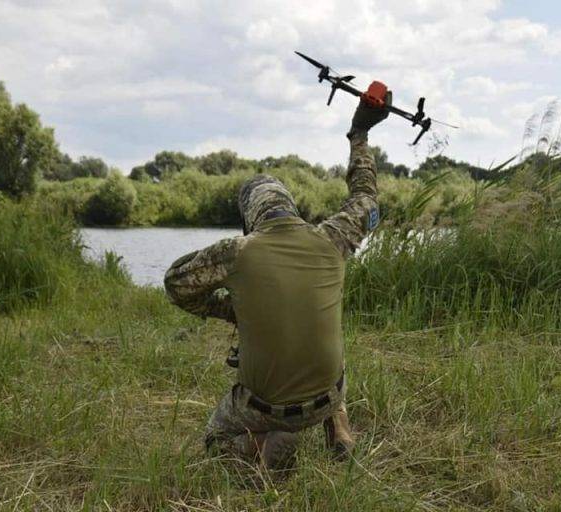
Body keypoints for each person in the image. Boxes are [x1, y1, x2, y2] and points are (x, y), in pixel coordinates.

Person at [164, 88, 391, 469]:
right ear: (290, 207)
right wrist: (359, 133)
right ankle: (340, 429)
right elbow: (367, 195)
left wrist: (229, 308)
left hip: (267, 409)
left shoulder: (236, 252)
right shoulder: (333, 237)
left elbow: (176, 284)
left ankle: (262, 446)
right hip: (330, 393)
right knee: (322, 338)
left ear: (250, 217)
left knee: (215, 443)